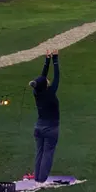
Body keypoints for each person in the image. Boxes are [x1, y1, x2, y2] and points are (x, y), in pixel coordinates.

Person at [30, 49, 60, 184]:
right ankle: (41, 179)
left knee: (39, 152)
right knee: (48, 153)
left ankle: (37, 177)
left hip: (39, 127)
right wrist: (55, 59)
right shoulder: (50, 93)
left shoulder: (37, 92)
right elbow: (57, 77)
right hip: (50, 128)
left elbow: (41, 79)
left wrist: (47, 60)